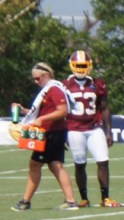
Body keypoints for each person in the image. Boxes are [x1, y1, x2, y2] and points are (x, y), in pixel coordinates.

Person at [10, 62, 80, 211]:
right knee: (55, 165)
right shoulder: (48, 90)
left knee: (35, 164)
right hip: (53, 131)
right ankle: (70, 201)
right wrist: (24, 111)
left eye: (37, 78)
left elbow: (62, 110)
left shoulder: (54, 89)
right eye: (34, 79)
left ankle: (25, 201)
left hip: (52, 132)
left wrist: (42, 119)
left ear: (46, 75)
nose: (36, 82)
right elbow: (44, 111)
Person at [63, 50, 121, 208]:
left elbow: (105, 107)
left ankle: (105, 197)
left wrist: (108, 131)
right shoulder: (65, 85)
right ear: (72, 66)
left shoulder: (97, 84)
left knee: (103, 161)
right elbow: (61, 110)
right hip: (74, 129)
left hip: (94, 128)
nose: (81, 69)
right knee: (79, 163)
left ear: (89, 66)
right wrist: (62, 132)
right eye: (78, 65)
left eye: (84, 65)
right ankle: (84, 198)